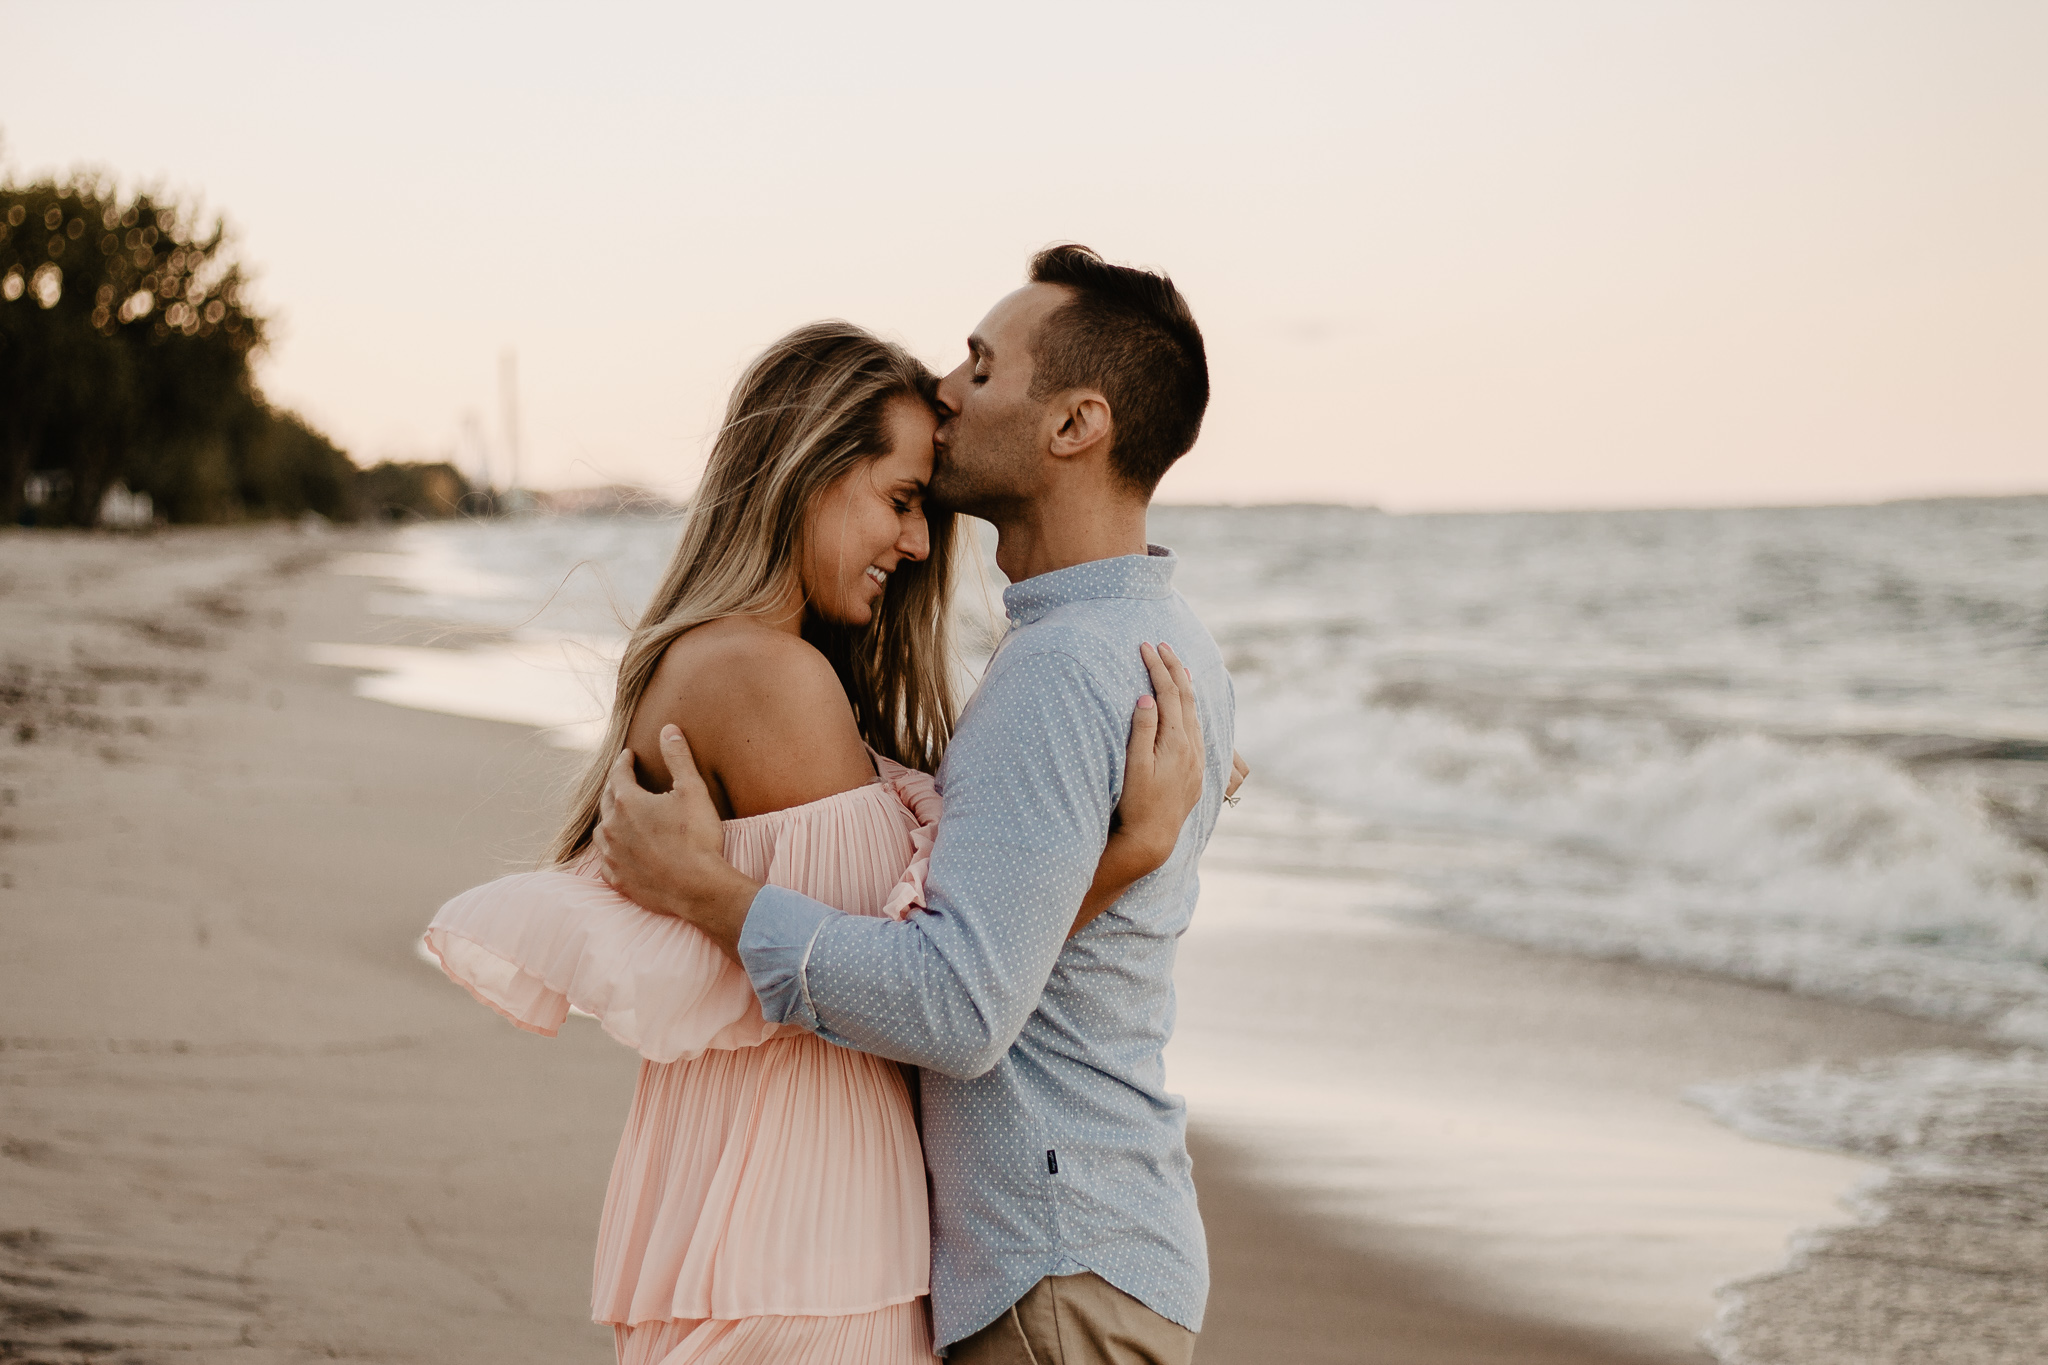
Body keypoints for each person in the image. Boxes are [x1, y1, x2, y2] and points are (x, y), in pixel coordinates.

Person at [423, 318, 1214, 1364]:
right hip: (805, 1205)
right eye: (897, 502)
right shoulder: (770, 682)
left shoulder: (754, 667)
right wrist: (1120, 852)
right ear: (803, 474)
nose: (922, 544)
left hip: (781, 1196)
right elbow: (927, 976)